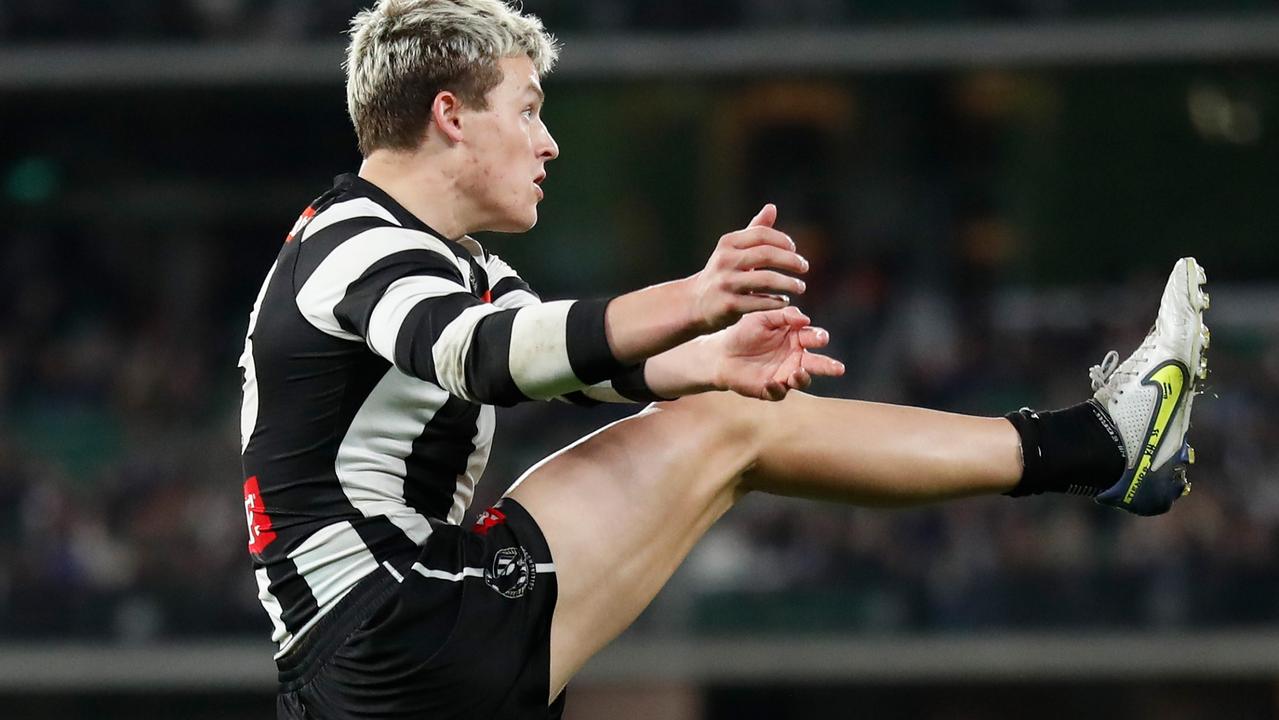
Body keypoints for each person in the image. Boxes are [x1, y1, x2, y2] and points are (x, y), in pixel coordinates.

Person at [237, 1, 1211, 717]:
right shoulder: (358, 244)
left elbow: (567, 362)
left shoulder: (424, 252)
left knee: (726, 419)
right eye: (527, 109)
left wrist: (704, 356)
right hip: (399, 629)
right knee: (730, 435)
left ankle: (1098, 448)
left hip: (379, 651)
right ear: (451, 116)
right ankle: (1097, 447)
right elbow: (485, 356)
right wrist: (694, 300)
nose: (549, 142)